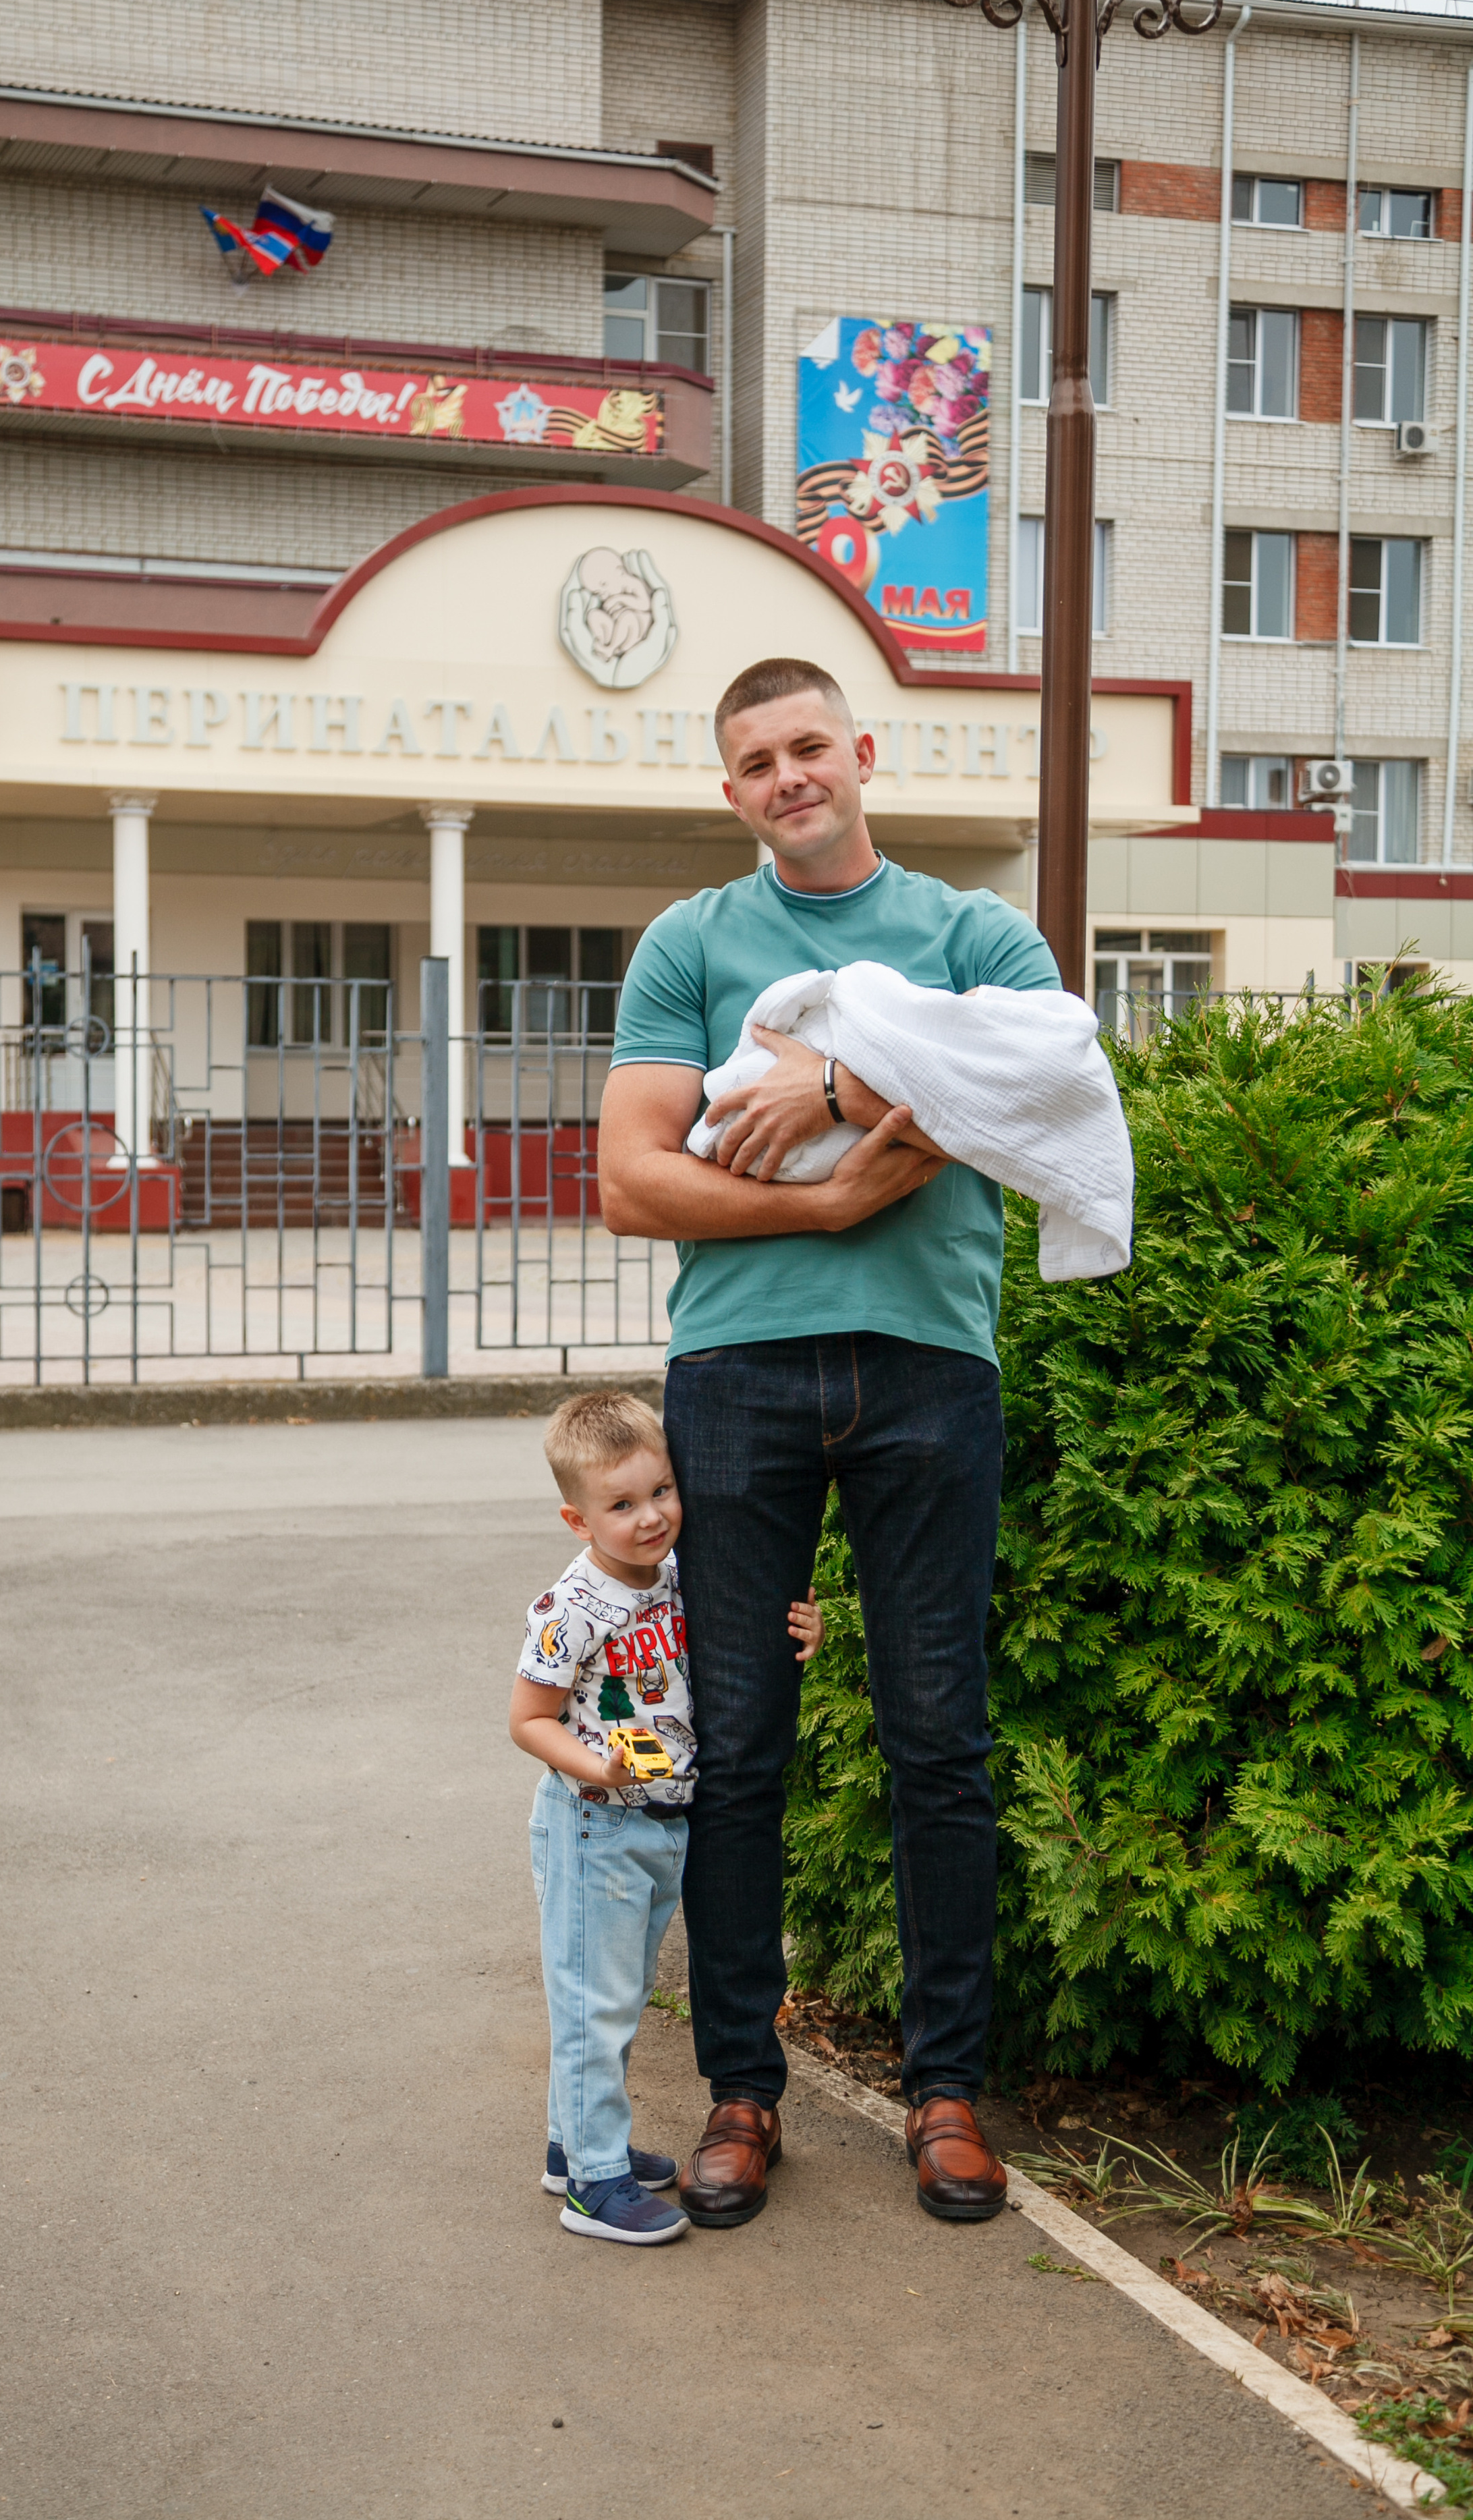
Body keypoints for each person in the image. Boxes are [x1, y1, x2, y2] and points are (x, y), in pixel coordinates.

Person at [598, 656, 1060, 2231]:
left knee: (938, 1737)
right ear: (728, 791)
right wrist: (829, 1192)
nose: (787, 775)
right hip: (736, 1375)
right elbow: (629, 1178)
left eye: (808, 746)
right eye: (753, 761)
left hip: (931, 1368)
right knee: (734, 1742)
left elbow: (1036, 1082)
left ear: (860, 754)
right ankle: (741, 2090)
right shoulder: (691, 939)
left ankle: (943, 2095)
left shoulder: (970, 931)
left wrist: (837, 1075)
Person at [511, 1388, 823, 2245]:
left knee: (613, 1995)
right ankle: (595, 2188)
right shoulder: (569, 1608)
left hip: (660, 1823)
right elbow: (527, 1721)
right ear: (577, 1520)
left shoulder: (679, 1574)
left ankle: (570, 2149)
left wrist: (801, 1626)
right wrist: (599, 1768)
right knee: (595, 2006)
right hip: (595, 1824)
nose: (650, 1518)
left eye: (661, 1493)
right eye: (621, 1506)